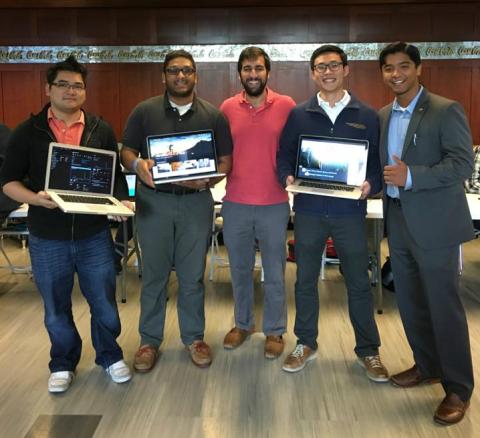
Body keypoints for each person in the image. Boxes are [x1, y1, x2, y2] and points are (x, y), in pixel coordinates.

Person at [0, 56, 132, 393]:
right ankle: (62, 362)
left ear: (85, 91)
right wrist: (35, 199)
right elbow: (8, 182)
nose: (70, 91)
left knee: (104, 302)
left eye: (77, 86)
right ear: (48, 88)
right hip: (47, 235)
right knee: (56, 308)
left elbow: (115, 177)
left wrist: (121, 202)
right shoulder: (28, 132)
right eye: (63, 84)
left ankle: (109, 355)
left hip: (93, 235)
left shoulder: (100, 129)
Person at [277, 45, 388, 382]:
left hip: (349, 211)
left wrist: (370, 184)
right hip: (309, 210)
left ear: (346, 69)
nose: (328, 72)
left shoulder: (367, 115)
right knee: (305, 281)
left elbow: (377, 165)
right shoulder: (299, 114)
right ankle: (305, 343)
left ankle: (368, 350)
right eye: (321, 66)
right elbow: (284, 155)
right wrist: (287, 176)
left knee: (358, 282)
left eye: (334, 65)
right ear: (313, 73)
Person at [378, 42, 474, 425]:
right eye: (389, 68)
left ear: (418, 69)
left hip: (435, 223)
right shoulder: (383, 115)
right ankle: (428, 365)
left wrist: (412, 177)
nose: (396, 74)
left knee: (443, 305)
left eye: (404, 66)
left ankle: (458, 388)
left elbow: (462, 164)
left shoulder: (445, 110)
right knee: (411, 301)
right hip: (398, 219)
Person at [121, 49, 232, 372]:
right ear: (163, 76)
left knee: (192, 276)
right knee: (154, 275)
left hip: (196, 202)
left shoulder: (213, 116)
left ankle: (194, 338)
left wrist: (209, 179)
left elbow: (226, 161)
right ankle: (149, 341)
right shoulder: (144, 111)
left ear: (195, 75)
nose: (180, 76)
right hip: (154, 202)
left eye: (187, 70)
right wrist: (137, 165)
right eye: (173, 70)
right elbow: (127, 151)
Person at [219, 47, 295, 359]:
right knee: (239, 270)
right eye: (247, 69)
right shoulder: (227, 108)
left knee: (275, 272)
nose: (253, 74)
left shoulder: (287, 105)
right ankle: (243, 324)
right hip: (235, 202)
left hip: (274, 203)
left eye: (259, 68)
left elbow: (295, 148)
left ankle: (275, 330)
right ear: (239, 73)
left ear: (268, 72)